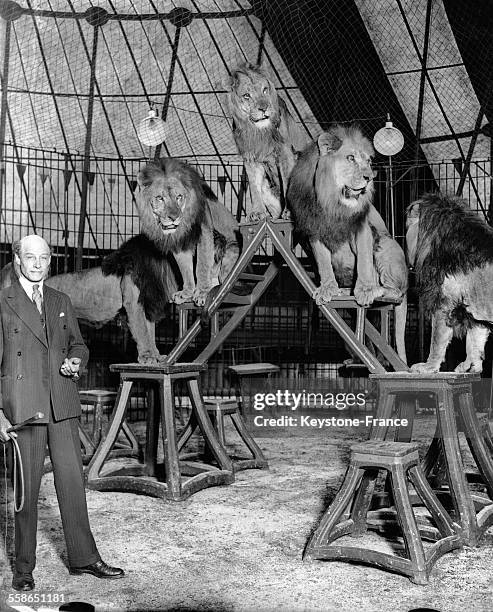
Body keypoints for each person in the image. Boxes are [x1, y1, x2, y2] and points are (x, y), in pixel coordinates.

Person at [0, 235, 124, 592]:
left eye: (44, 257)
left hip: (63, 404)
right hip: (23, 408)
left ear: (50, 260)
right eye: (30, 257)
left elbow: (78, 344)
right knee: (27, 493)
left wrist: (76, 361)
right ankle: (23, 568)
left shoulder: (60, 300)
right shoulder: (4, 302)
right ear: (17, 260)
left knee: (73, 484)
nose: (37, 264)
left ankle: (84, 558)